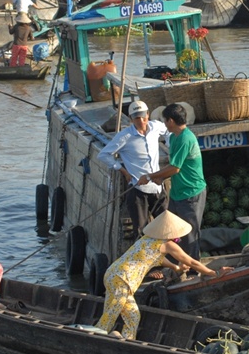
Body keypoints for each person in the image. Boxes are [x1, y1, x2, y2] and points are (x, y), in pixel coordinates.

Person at [95, 210, 232, 339]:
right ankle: (93, 339)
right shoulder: (168, 245)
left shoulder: (147, 240)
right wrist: (215, 273)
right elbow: (192, 262)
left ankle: (126, 342)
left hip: (114, 274)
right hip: (121, 279)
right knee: (109, 316)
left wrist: (176, 267)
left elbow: (157, 259)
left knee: (133, 316)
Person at [137, 103, 206, 262]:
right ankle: (176, 265)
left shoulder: (185, 138)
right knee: (173, 232)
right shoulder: (174, 137)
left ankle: (193, 269)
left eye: (164, 120)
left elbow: (175, 168)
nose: (163, 124)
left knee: (189, 233)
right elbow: (173, 166)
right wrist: (161, 177)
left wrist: (149, 176)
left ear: (171, 121)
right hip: (177, 193)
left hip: (191, 193)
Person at [98, 101, 169, 238]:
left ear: (148, 115)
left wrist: (171, 145)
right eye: (137, 118)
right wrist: (122, 170)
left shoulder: (156, 127)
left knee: (166, 227)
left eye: (143, 116)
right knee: (141, 231)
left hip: (157, 188)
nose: (141, 121)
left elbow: (168, 132)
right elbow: (104, 154)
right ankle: (143, 258)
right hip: (138, 190)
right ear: (131, 119)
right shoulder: (125, 136)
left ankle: (170, 258)